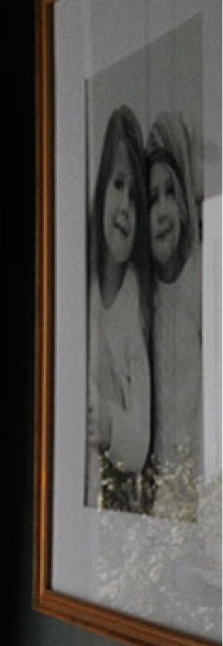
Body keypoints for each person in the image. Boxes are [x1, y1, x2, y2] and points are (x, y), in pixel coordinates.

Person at [85, 104, 150, 510]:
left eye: (135, 198)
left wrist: (110, 425)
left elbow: (140, 439)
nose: (125, 204)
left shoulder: (136, 307)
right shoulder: (83, 284)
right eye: (118, 184)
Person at [143, 112, 204, 519]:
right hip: (162, 489)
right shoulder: (147, 298)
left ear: (183, 205)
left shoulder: (198, 282)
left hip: (198, 478)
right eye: (152, 199)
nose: (163, 210)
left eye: (170, 193)